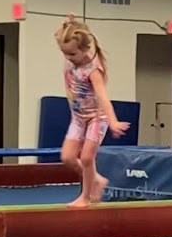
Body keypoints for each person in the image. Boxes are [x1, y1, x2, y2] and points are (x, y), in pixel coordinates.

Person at [55, 15, 130, 208]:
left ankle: (85, 197)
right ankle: (96, 179)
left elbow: (103, 97)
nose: (68, 58)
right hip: (78, 118)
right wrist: (69, 23)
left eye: (72, 54)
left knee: (87, 157)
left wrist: (113, 121)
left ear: (85, 49)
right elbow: (64, 35)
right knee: (67, 157)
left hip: (97, 118)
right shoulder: (72, 58)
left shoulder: (93, 70)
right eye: (65, 53)